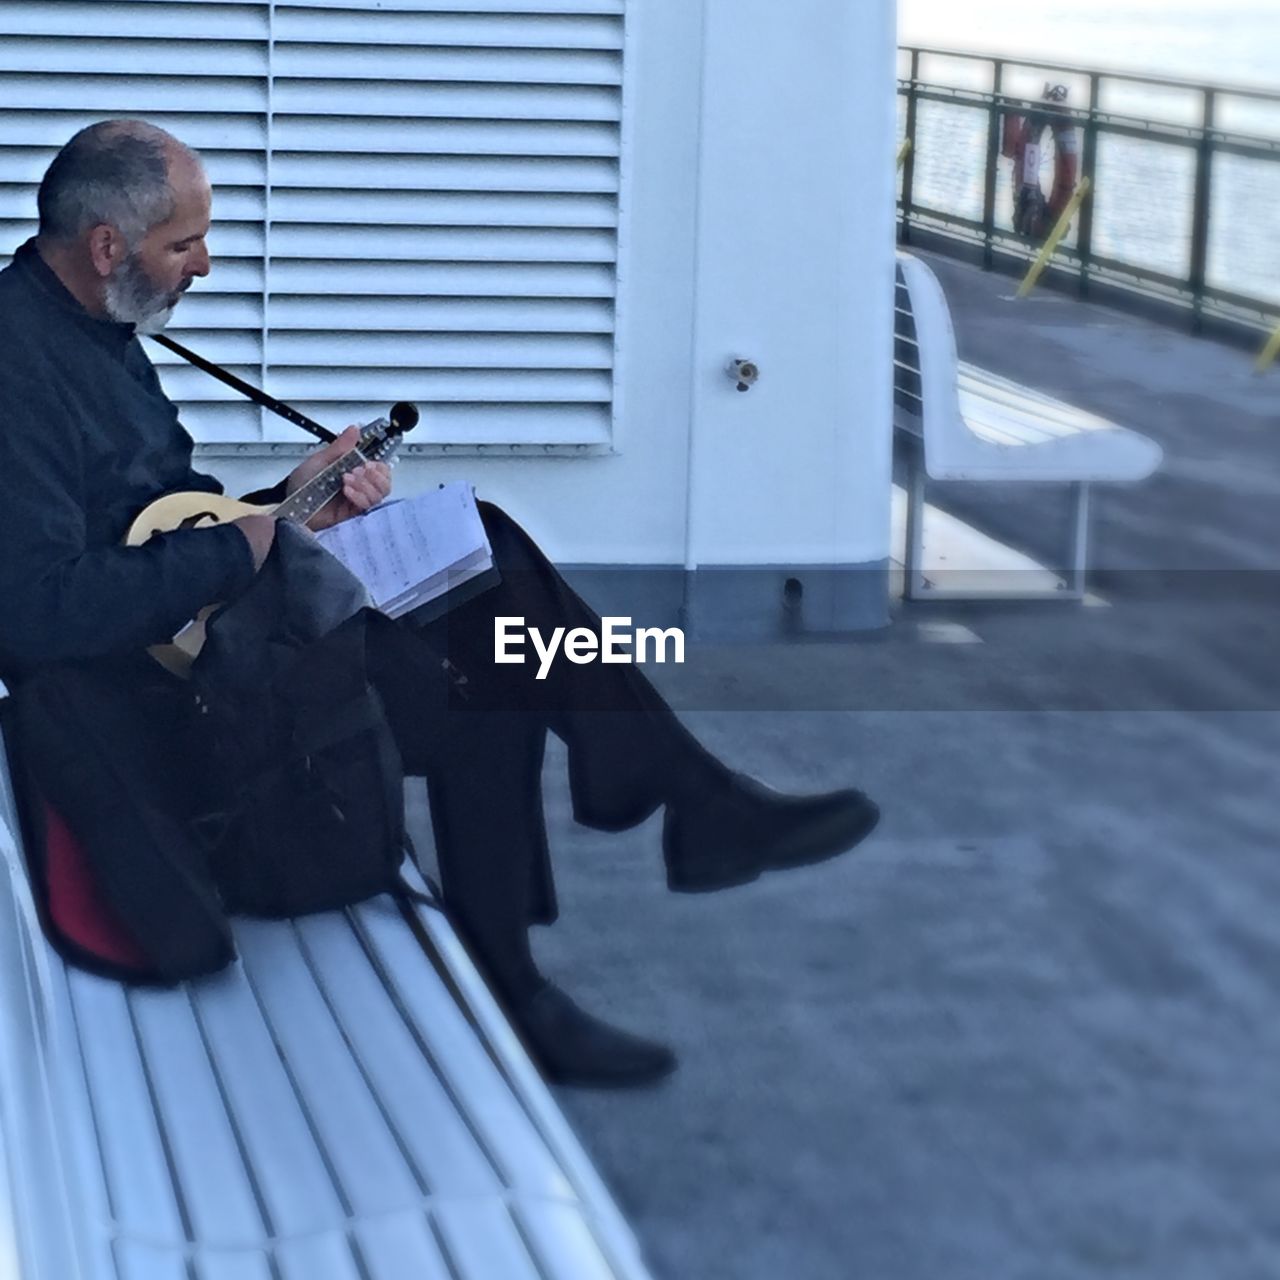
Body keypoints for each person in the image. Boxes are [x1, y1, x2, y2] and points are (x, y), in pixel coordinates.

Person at [0, 120, 880, 1087]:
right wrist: (238, 546)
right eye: (185, 245)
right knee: (487, 692)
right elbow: (34, 612)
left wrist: (292, 503)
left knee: (485, 547)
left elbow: (160, 526)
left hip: (208, 640)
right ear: (107, 246)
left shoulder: (101, 333)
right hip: (166, 711)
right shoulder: (16, 368)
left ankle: (665, 825)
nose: (204, 265)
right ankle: (616, 880)